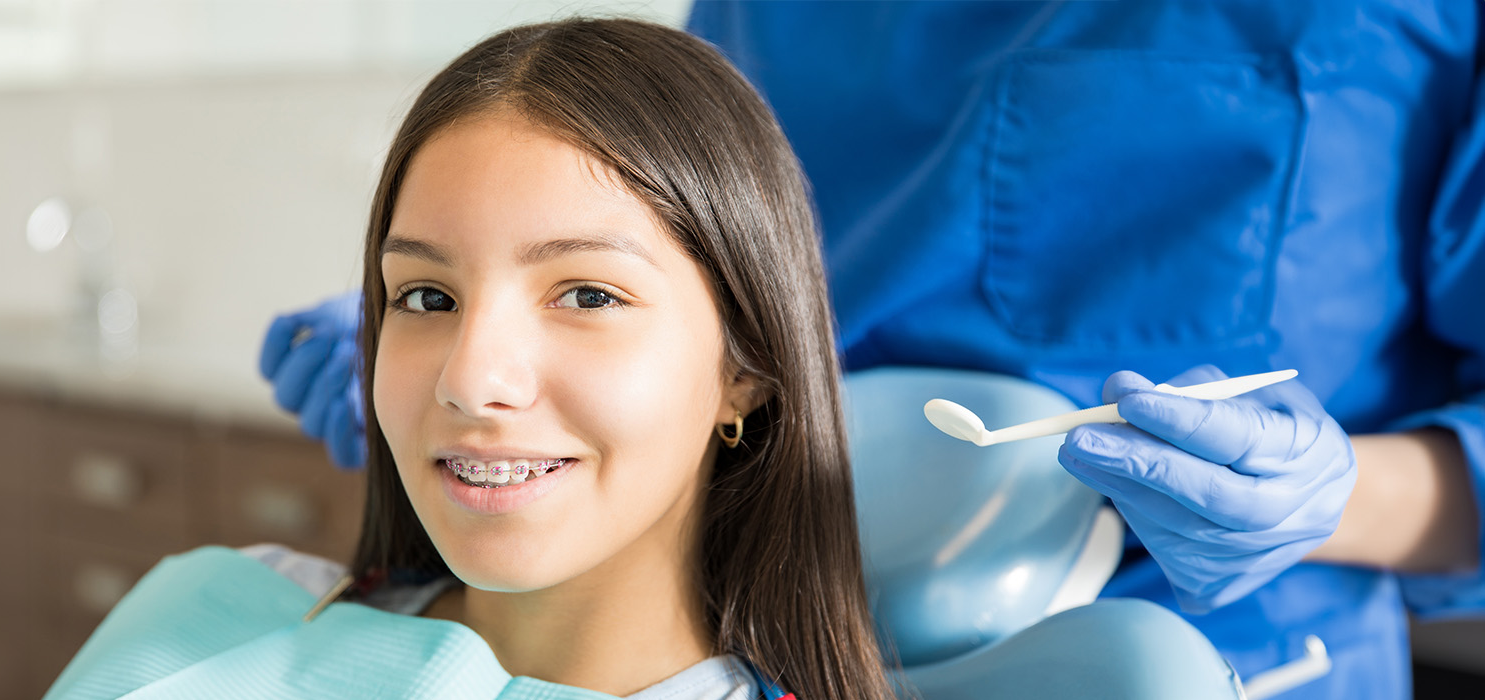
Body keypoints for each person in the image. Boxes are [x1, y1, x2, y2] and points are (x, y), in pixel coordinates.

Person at [261, 2, 1485, 697]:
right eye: (415, 296)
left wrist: (1323, 502)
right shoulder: (242, 631)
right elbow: (682, 252)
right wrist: (471, 322)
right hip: (767, 633)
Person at [57, 18, 895, 700]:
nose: (469, 378)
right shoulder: (221, 611)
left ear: (743, 371)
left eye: (588, 296)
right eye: (426, 297)